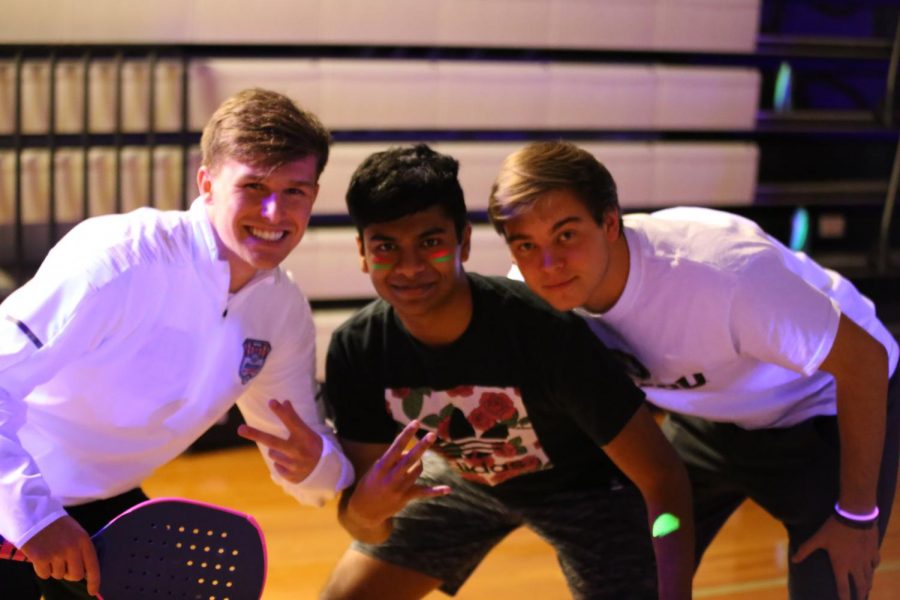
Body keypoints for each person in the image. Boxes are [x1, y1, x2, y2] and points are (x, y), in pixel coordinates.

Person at [487, 140, 900, 600]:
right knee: (627, 566)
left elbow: (866, 362)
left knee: (834, 584)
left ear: (609, 223)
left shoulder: (723, 277)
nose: (549, 264)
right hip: (709, 417)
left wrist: (858, 516)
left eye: (566, 235)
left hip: (820, 406)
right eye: (527, 244)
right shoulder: (531, 296)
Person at [0, 88, 355, 599]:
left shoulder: (282, 311)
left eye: (294, 191)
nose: (275, 212)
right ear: (207, 183)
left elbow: (311, 474)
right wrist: (33, 519)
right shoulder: (116, 261)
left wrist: (318, 464)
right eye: (253, 186)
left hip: (103, 509)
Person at [318, 143, 694, 600]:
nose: (410, 266)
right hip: (462, 480)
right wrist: (367, 512)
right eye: (386, 247)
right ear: (362, 252)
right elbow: (365, 525)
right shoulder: (358, 349)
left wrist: (673, 592)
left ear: (465, 242)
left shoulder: (544, 331)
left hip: (589, 490)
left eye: (431, 242)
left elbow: (661, 475)